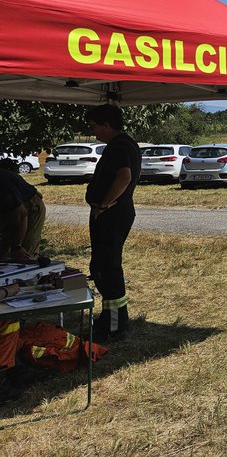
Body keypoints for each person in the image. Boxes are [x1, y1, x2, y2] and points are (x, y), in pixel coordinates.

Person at [85, 104, 141, 341]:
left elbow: (124, 176)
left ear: (107, 125)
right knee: (102, 266)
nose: (93, 132)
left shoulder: (119, 146)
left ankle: (116, 325)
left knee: (108, 268)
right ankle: (109, 319)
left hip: (112, 214)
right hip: (113, 213)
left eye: (95, 127)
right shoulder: (125, 143)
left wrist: (105, 203)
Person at [0, 158, 46, 261]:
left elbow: (21, 215)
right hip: (10, 211)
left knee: (24, 257)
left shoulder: (2, 183)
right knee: (3, 254)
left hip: (30, 206)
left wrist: (17, 247)